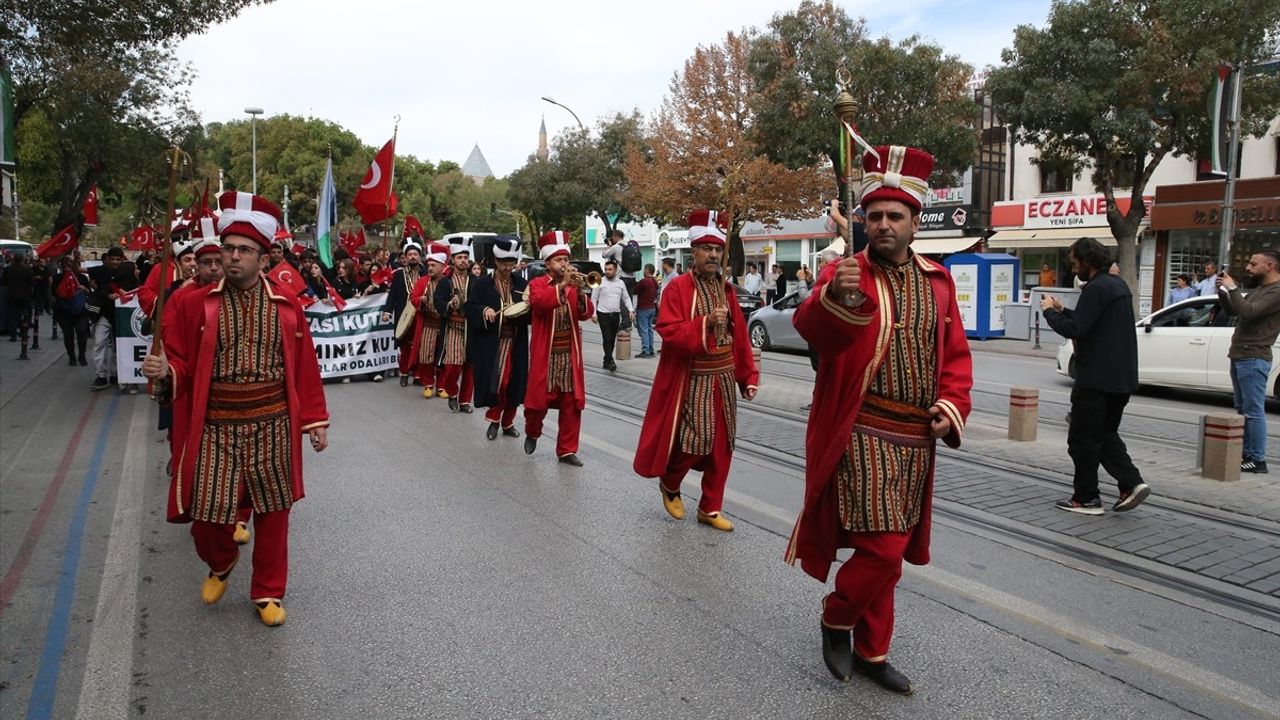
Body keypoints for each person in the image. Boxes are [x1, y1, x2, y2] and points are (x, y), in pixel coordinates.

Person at [785, 145, 973, 694]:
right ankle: (837, 614)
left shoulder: (939, 282)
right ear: (862, 221)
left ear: (916, 223)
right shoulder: (844, 273)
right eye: (875, 216)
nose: (884, 225)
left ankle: (872, 651)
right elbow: (813, 332)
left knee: (887, 554)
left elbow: (956, 355)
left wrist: (951, 403)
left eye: (896, 217)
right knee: (885, 548)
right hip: (860, 429)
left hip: (916, 437)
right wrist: (834, 297)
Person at [141, 190, 328, 627]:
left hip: (274, 421)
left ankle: (267, 591)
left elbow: (304, 366)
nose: (233, 257)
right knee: (206, 515)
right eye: (228, 249)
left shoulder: (286, 305)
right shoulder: (194, 303)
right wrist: (166, 370)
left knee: (274, 511)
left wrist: (314, 420)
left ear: (264, 258)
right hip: (217, 424)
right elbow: (183, 363)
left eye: (244, 250)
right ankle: (221, 561)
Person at [634, 209, 759, 532]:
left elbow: (740, 337)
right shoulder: (677, 289)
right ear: (694, 251)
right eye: (707, 249)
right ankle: (670, 480)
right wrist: (705, 323)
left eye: (718, 249)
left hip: (724, 376)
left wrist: (748, 376)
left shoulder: (727, 290)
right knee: (695, 440)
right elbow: (668, 329)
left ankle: (710, 507)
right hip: (693, 379)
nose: (714, 255)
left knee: (723, 444)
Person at [1041, 237, 1150, 515]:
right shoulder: (1117, 285)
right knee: (1104, 435)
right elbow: (1092, 320)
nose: (1072, 266)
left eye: (1075, 262)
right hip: (1121, 379)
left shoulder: (1096, 288)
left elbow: (1077, 328)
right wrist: (1061, 309)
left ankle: (1087, 498)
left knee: (1082, 440)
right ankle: (1131, 484)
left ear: (1087, 261)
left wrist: (1049, 314)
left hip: (1097, 379)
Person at [523, 230, 594, 466]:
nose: (564, 264)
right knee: (537, 404)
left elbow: (586, 314)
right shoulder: (537, 284)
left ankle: (566, 449)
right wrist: (562, 286)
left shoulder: (574, 286)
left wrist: (583, 293)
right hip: (547, 353)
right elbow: (540, 304)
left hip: (569, 353)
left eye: (566, 260)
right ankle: (533, 432)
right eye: (558, 260)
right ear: (547, 263)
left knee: (571, 403)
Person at [1217, 250, 1280, 474]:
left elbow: (1250, 312)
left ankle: (1257, 458)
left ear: (1270, 266)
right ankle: (1246, 453)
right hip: (1241, 354)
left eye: (1254, 264)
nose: (1248, 268)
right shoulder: (1261, 289)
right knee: (1243, 408)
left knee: (1253, 410)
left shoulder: (1276, 291)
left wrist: (1233, 287)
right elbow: (1236, 311)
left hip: (1254, 356)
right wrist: (1223, 293)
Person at [466, 236, 530, 440]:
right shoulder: (482, 284)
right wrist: (484, 310)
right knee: (498, 383)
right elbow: (469, 307)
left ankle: (508, 422)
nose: (507, 268)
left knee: (514, 383)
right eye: (503, 263)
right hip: (492, 343)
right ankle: (494, 420)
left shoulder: (522, 284)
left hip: (516, 342)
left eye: (511, 263)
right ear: (496, 262)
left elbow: (531, 310)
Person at [434, 238, 475, 412]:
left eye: (466, 257)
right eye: (460, 257)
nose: (463, 260)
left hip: (472, 329)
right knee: (453, 366)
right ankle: (452, 392)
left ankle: (465, 401)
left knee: (470, 367)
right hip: (453, 329)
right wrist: (449, 305)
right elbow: (438, 302)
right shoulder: (445, 281)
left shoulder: (476, 281)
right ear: (453, 260)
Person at [407, 242, 448, 395]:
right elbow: (413, 298)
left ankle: (442, 386)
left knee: (443, 356)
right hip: (428, 324)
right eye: (428, 265)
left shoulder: (448, 282)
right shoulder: (423, 281)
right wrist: (420, 301)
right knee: (426, 355)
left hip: (444, 326)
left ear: (442, 266)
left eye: (433, 265)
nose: (430, 268)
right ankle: (428, 384)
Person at [87, 246, 128, 390]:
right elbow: (81, 272)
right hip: (103, 313)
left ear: (122, 259)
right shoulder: (99, 271)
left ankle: (116, 375)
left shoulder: (127, 272)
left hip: (120, 315)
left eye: (118, 259)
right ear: (107, 259)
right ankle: (100, 376)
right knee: (99, 343)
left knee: (119, 346)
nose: (115, 262)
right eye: (112, 259)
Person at [386, 240, 424, 385]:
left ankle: (418, 374)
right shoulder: (399, 274)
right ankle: (404, 373)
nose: (413, 257)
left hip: (421, 314)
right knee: (405, 346)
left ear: (420, 256)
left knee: (421, 345)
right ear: (406, 257)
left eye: (415, 254)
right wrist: (387, 311)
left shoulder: (426, 273)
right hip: (404, 314)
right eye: (410, 254)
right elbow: (392, 295)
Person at [591, 259, 634, 371]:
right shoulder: (599, 281)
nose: (607, 271)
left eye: (610, 269)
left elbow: (626, 297)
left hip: (615, 314)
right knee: (607, 338)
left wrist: (630, 310)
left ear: (616, 270)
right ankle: (610, 360)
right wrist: (594, 313)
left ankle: (606, 360)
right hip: (603, 314)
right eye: (606, 269)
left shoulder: (621, 283)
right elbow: (594, 298)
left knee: (612, 339)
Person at [53, 256, 92, 366]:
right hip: (64, 311)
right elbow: (54, 293)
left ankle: (82, 356)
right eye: (65, 263)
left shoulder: (82, 278)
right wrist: (65, 290)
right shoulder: (58, 278)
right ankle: (72, 357)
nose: (68, 265)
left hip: (80, 310)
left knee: (81, 332)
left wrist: (84, 289)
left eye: (70, 263)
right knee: (68, 334)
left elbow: (89, 293)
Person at [3, 253, 35, 358]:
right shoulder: (27, 270)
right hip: (25, 295)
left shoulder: (8, 269)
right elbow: (32, 282)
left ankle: (13, 335)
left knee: (12, 314)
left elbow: (4, 282)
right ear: (22, 260)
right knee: (24, 315)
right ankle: (23, 333)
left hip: (12, 294)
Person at [634, 264, 659, 358]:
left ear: (647, 270)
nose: (643, 271)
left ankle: (645, 350)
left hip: (643, 307)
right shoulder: (655, 281)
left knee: (643, 329)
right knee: (649, 329)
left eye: (644, 269)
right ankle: (651, 349)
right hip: (652, 307)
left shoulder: (644, 281)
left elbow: (635, 290)